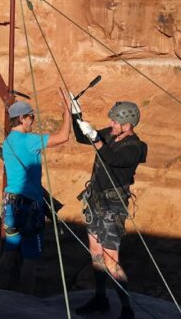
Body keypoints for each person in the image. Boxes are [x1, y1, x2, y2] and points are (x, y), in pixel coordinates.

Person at [71, 98, 147, 319]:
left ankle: (126, 310)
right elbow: (82, 137)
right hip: (95, 201)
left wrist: (97, 139)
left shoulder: (134, 146)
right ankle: (101, 297)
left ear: (128, 124)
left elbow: (113, 158)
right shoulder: (112, 135)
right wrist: (77, 116)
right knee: (96, 254)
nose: (111, 125)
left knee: (111, 261)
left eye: (115, 122)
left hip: (112, 207)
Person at [0, 89, 71, 293]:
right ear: (21, 118)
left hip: (10, 204)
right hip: (30, 206)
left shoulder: (8, 141)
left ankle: (1, 294)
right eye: (31, 116)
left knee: (10, 251)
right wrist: (68, 109)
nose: (32, 120)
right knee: (31, 257)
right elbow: (63, 136)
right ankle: (26, 302)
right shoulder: (28, 141)